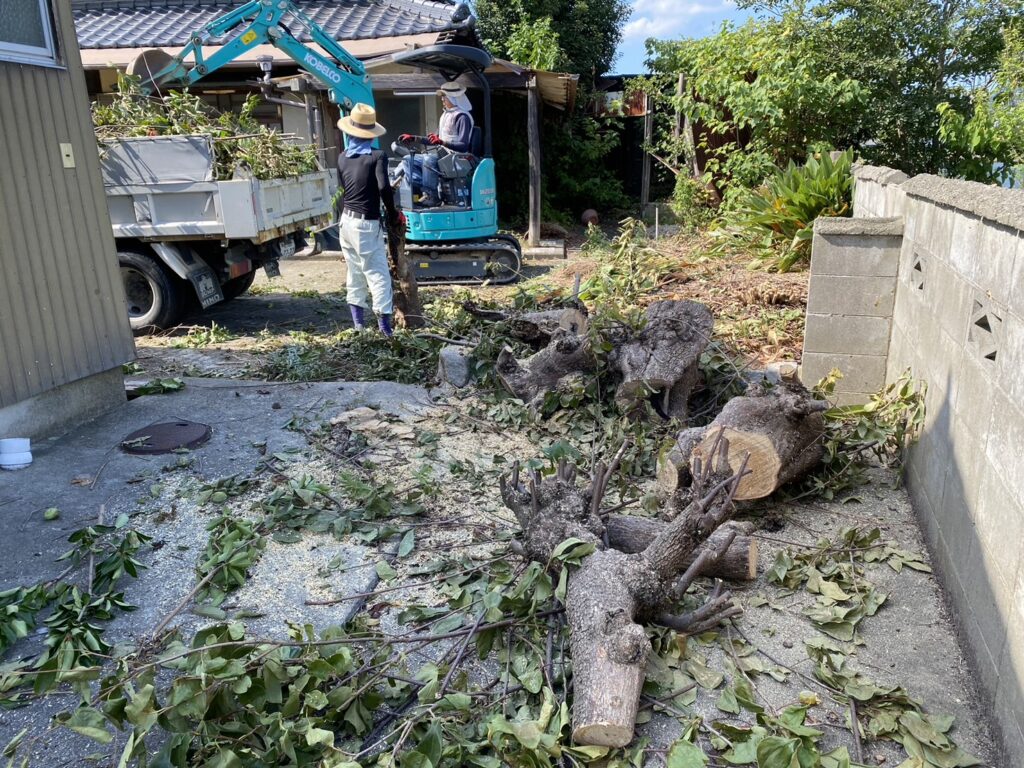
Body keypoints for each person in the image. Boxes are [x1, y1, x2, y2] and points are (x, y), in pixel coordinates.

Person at [336, 103, 405, 336]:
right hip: (366, 225)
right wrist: (393, 213)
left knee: (354, 274)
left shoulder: (343, 157)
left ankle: (358, 327)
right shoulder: (377, 156)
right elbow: (384, 187)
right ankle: (385, 331)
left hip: (345, 222)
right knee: (378, 275)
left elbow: (345, 189)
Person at [399, 82, 475, 206]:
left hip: (457, 158)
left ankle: (432, 197)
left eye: (444, 96)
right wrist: (414, 138)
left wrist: (442, 142)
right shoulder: (446, 115)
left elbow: (463, 145)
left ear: (453, 98)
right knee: (408, 159)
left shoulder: (462, 117)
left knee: (428, 159)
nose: (442, 99)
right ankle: (420, 192)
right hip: (443, 156)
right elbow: (433, 139)